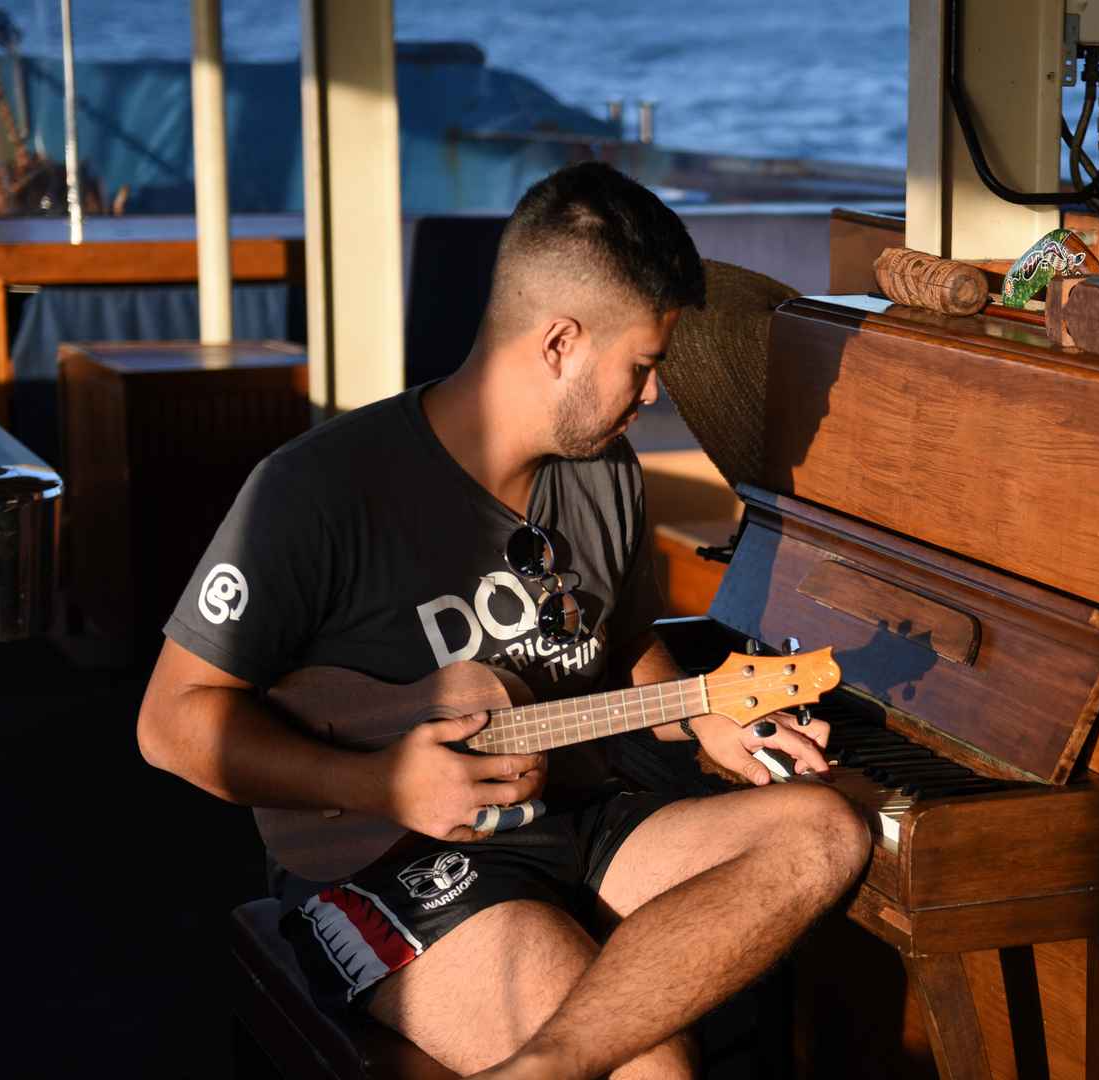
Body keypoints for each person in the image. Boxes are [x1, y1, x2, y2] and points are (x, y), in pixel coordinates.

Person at [136, 162, 871, 1080]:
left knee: (825, 834)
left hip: (575, 816)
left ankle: (545, 1066)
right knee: (652, 1072)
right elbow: (170, 723)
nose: (653, 397)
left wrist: (701, 713)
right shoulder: (317, 489)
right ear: (560, 340)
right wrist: (378, 785)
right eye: (642, 366)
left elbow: (625, 645)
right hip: (382, 862)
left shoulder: (604, 476)